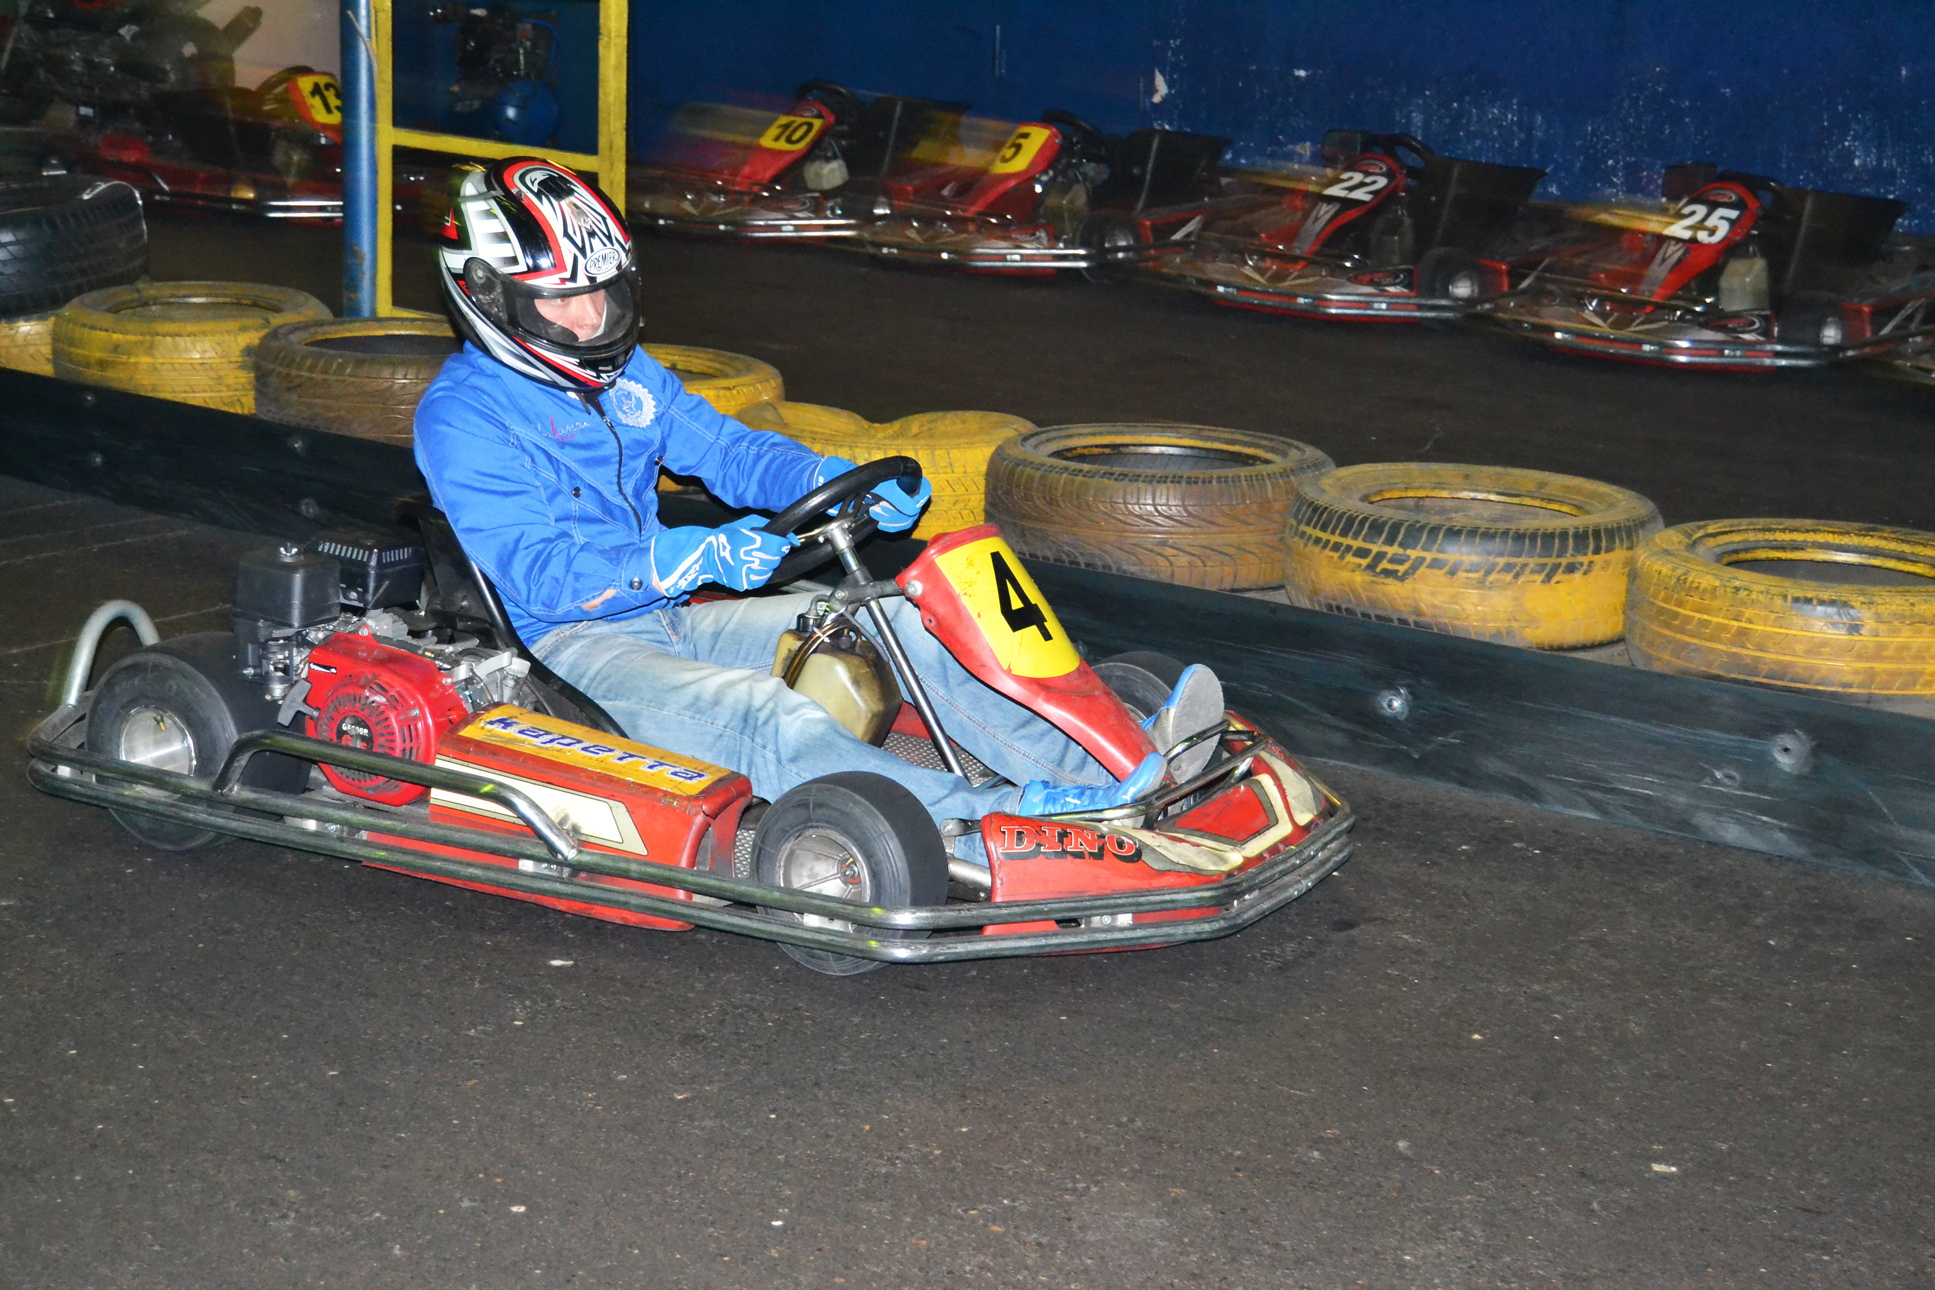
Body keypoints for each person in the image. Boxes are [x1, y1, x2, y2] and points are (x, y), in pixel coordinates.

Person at [412, 159, 1219, 851]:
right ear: (490, 294)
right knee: (762, 713)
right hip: (570, 651)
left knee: (906, 620)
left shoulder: (628, 377)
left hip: (671, 617)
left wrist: (838, 475)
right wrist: (686, 556)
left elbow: (730, 453)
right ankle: (993, 824)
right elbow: (540, 573)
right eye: (560, 301)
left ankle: (1111, 778)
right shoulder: (463, 418)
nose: (591, 318)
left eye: (602, 293)